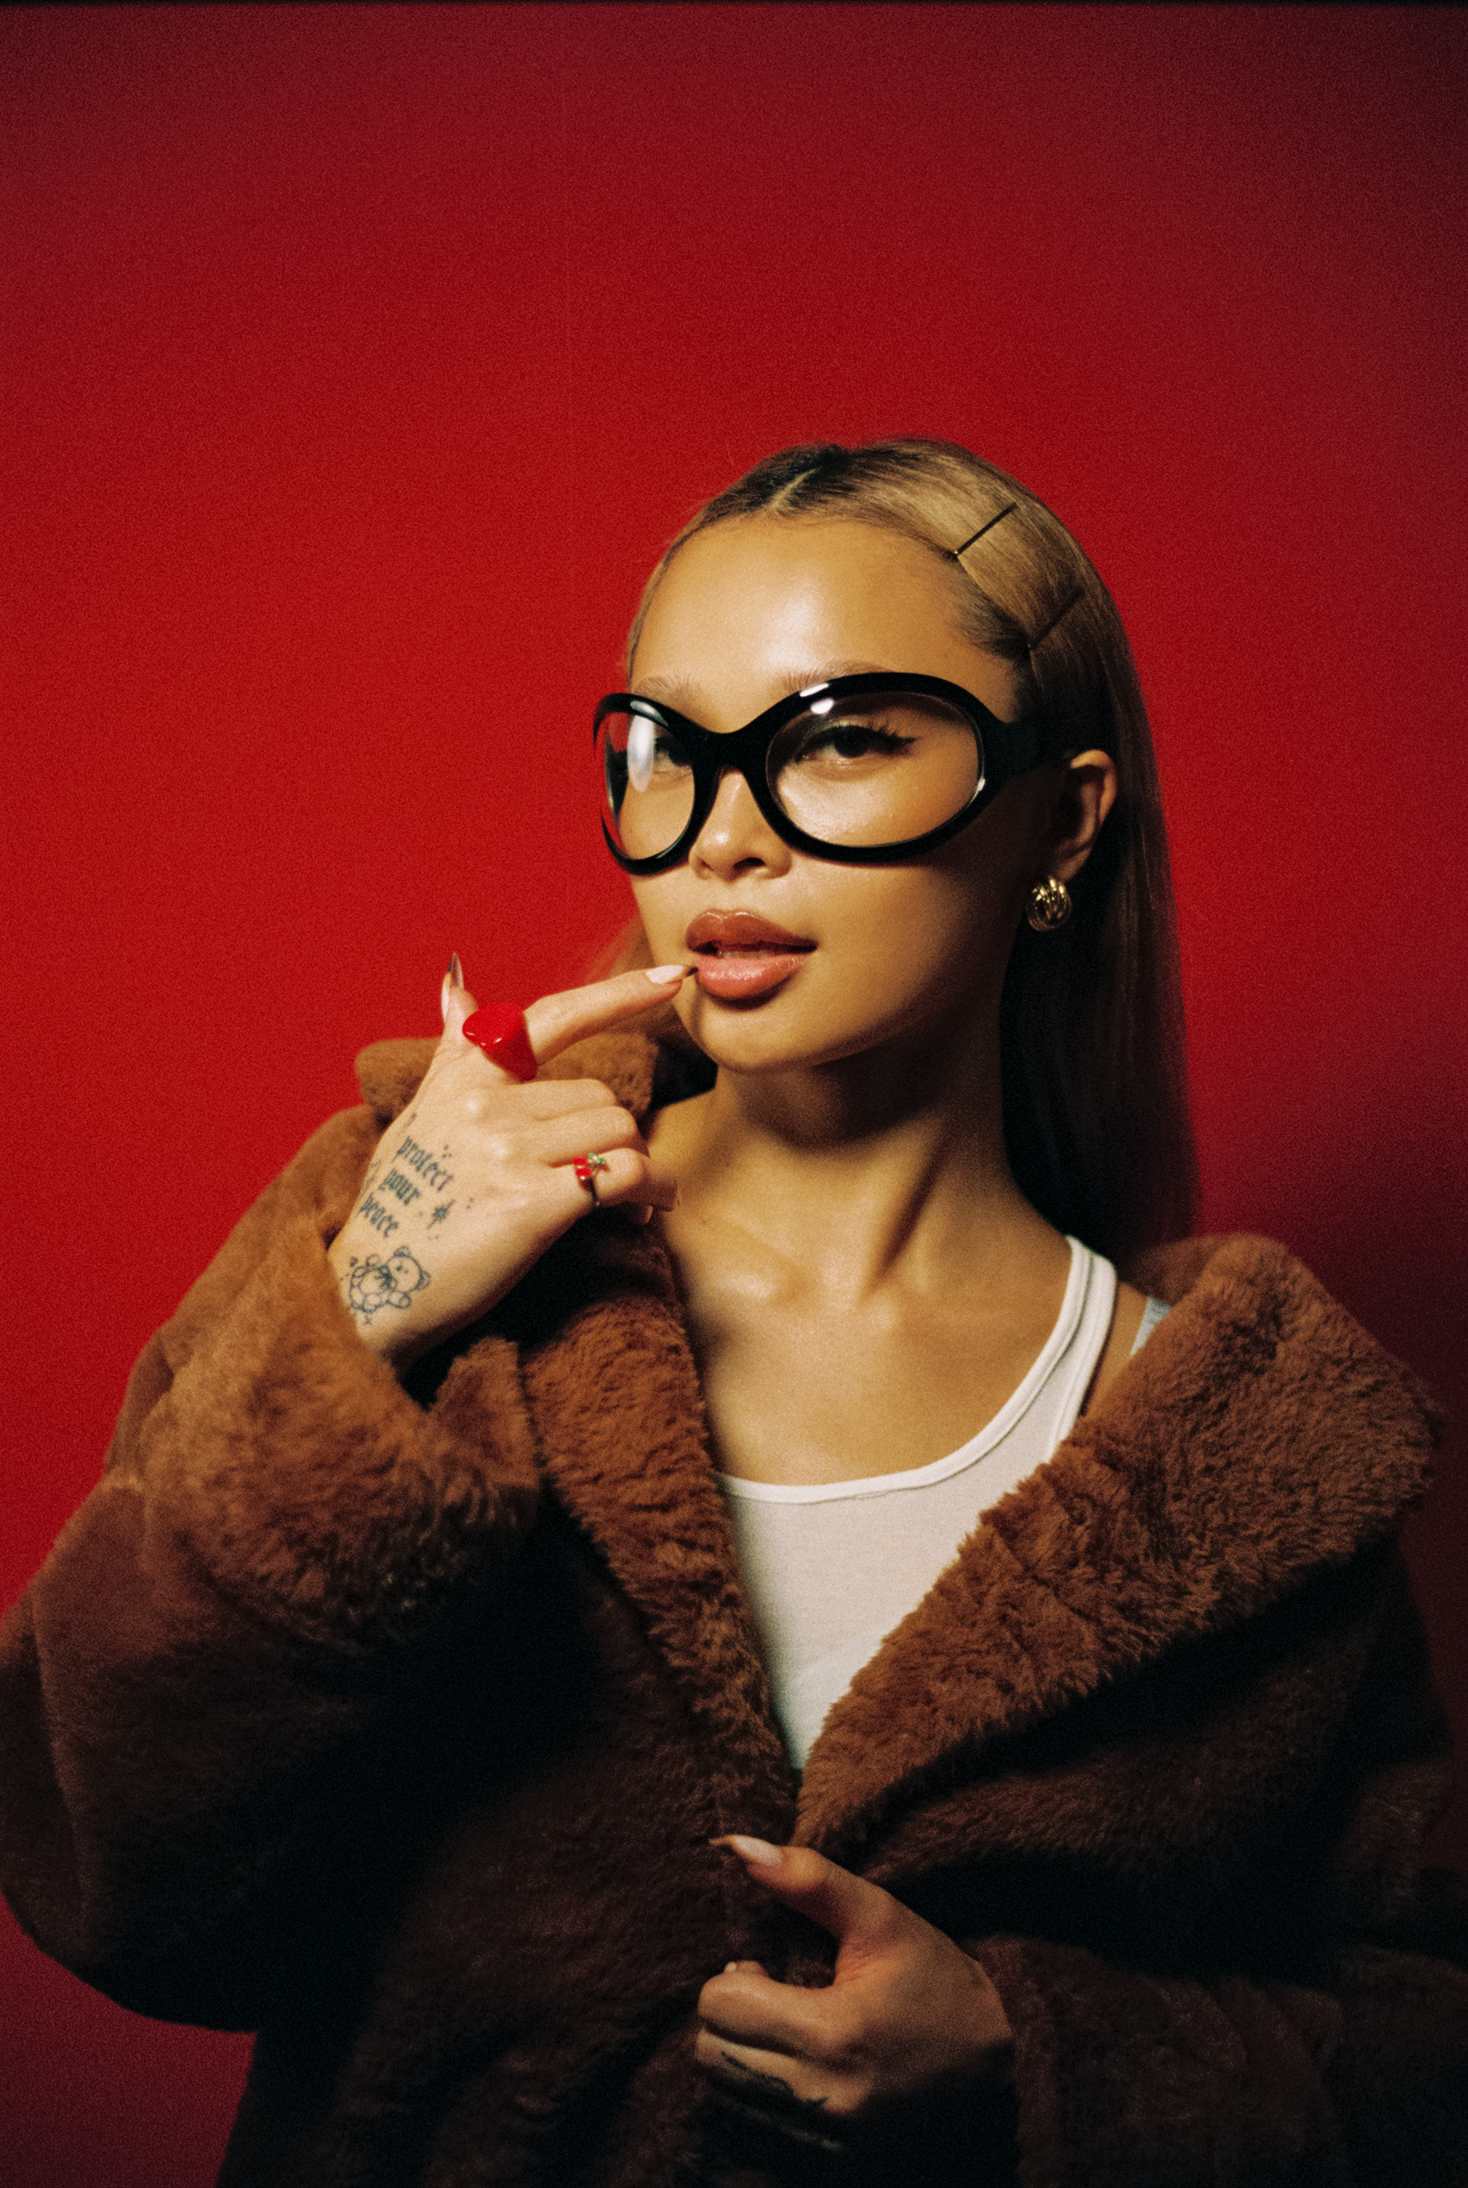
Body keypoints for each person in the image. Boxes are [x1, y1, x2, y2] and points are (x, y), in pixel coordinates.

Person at [2, 438, 1465, 2188]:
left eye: (843, 738)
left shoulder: (1230, 1448)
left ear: (1060, 817)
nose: (728, 833)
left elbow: (1415, 2045)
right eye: (663, 752)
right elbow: (104, 1865)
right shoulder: (410, 1226)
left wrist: (1027, 2051)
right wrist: (368, 1316)